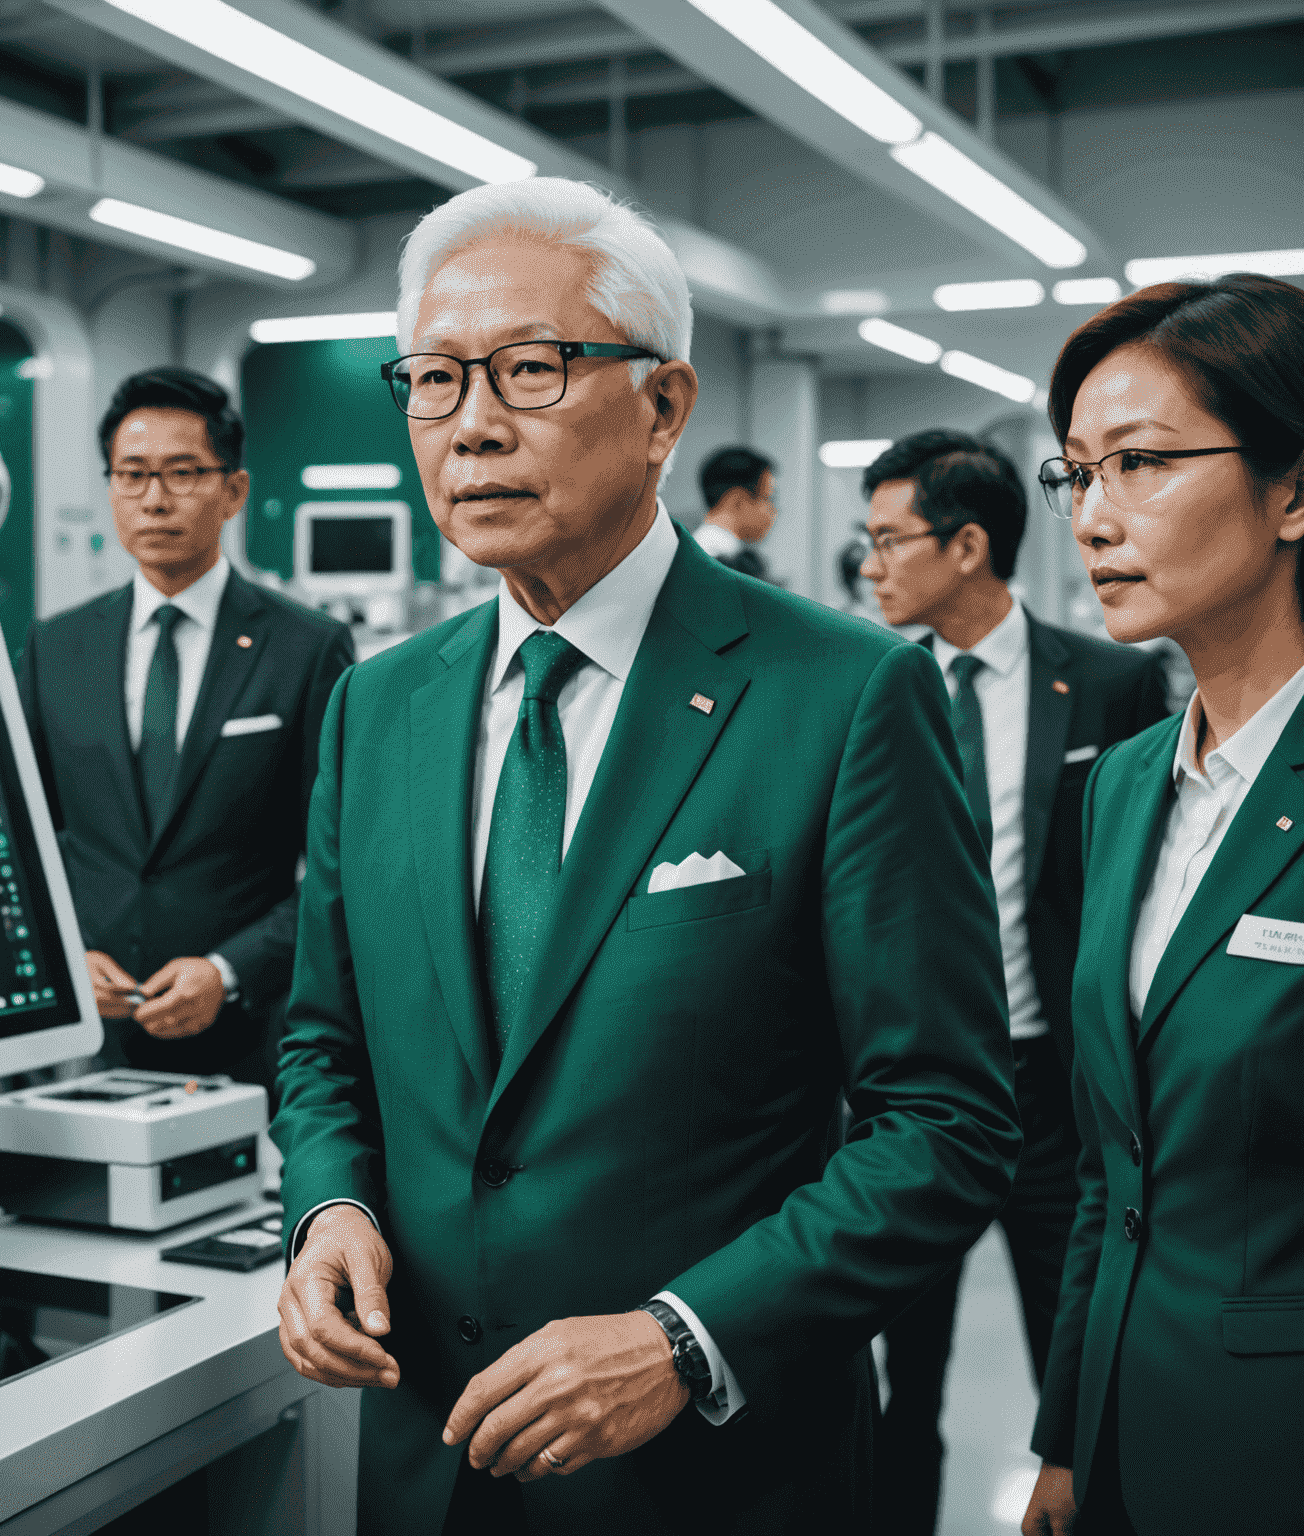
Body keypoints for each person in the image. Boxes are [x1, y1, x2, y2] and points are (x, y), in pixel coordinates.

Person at [272, 176, 1021, 1535]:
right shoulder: (377, 706)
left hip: (717, 1477)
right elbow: (326, 1038)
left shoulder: (841, 696)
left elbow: (947, 1123)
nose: (473, 426)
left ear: (665, 407)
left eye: (532, 371)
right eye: (434, 381)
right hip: (428, 1453)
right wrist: (327, 1211)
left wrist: (685, 1337)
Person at [1020, 273, 1304, 1536]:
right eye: (1077, 474)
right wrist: (1069, 1441)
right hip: (1128, 1442)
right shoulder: (1127, 783)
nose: (1093, 517)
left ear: (1293, 488)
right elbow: (1108, 1165)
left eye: (1139, 464)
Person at [856, 432, 1168, 1534]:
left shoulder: (1115, 680)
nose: (869, 566)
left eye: (889, 541)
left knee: (1075, 1371)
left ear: (970, 545)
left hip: (1055, 1098)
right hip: (909, 1097)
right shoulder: (866, 691)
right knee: (896, 1381)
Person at [17, 366, 352, 1095]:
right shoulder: (56, 647)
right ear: (110, 488)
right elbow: (22, 836)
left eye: (182, 473)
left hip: (249, 1031)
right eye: (132, 474)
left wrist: (230, 971)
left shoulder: (305, 648)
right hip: (90, 1034)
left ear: (233, 491)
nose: (154, 499)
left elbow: (341, 862)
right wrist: (61, 949)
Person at [692, 446, 777, 577]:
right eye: (769, 499)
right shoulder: (715, 562)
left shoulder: (698, 551)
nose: (774, 512)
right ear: (738, 501)